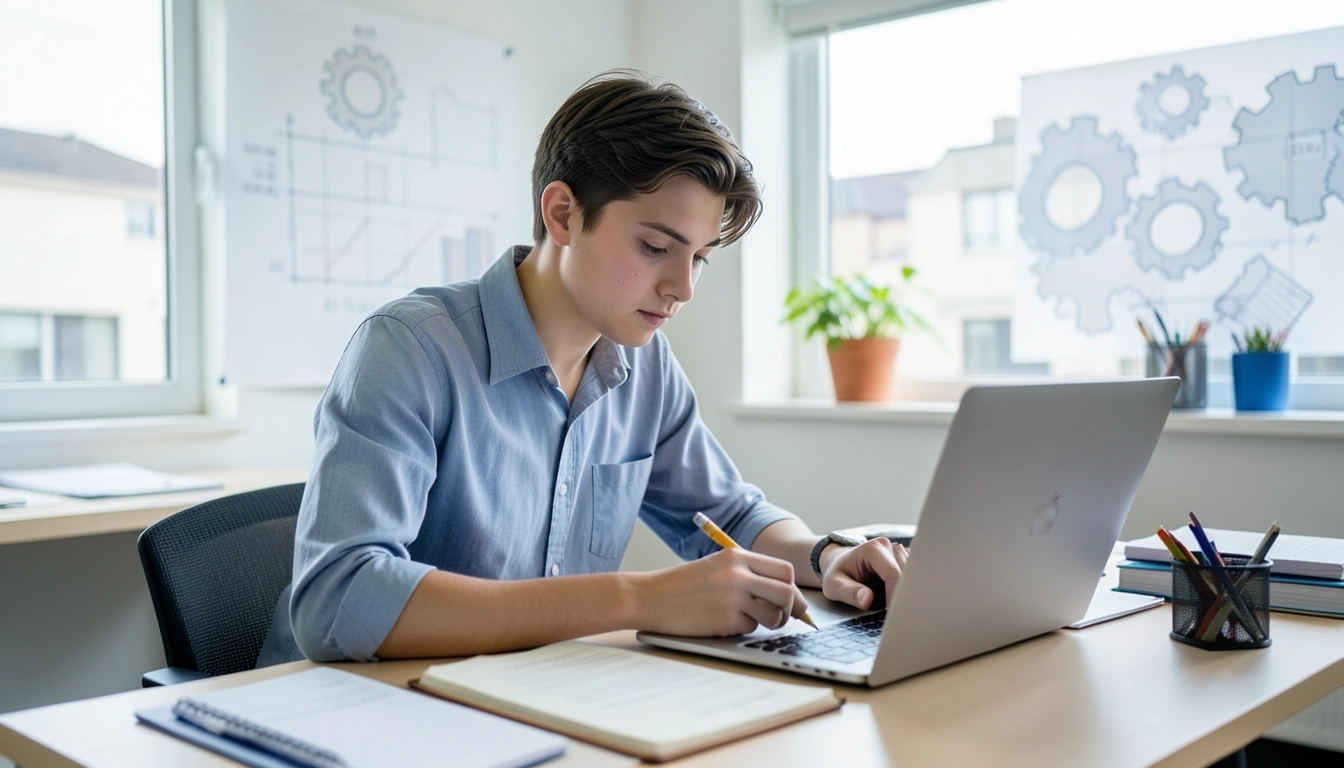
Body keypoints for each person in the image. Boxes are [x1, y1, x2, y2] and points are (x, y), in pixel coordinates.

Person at [259, 70, 908, 665]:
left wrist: (825, 555)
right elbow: (338, 600)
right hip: (353, 709)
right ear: (563, 214)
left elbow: (730, 517)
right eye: (655, 247)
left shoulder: (645, 365)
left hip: (526, 697)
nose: (682, 288)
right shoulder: (410, 349)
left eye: (699, 258)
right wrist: (640, 599)